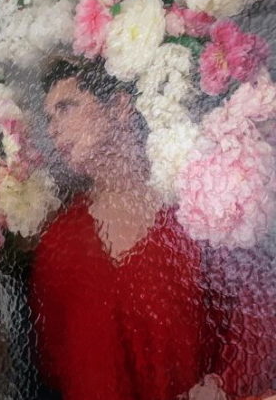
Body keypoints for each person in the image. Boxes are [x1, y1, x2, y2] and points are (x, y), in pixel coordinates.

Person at [30, 58, 274, 399]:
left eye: (66, 107)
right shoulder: (57, 243)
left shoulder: (197, 210)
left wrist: (222, 385)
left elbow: (255, 320)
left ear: (119, 107)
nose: (53, 129)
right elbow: (54, 364)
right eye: (50, 118)